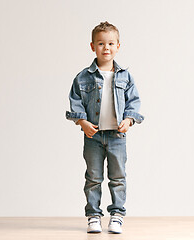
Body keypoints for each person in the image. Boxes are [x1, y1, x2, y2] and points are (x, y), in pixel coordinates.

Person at [65, 21, 144, 234]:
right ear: (93, 46)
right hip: (93, 136)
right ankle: (93, 216)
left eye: (110, 43)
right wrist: (82, 122)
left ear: (118, 46)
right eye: (101, 43)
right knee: (93, 177)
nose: (106, 48)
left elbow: (134, 102)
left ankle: (117, 215)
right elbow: (75, 101)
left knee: (118, 177)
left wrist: (128, 120)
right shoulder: (83, 77)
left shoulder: (125, 76)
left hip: (117, 136)